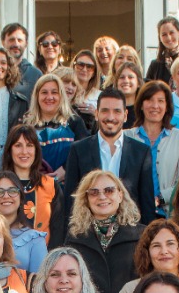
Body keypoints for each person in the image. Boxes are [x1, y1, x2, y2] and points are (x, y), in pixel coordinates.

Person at [62, 88, 157, 226]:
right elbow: (71, 200)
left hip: (128, 233)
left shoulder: (141, 152)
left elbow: (146, 204)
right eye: (105, 110)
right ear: (96, 113)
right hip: (89, 232)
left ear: (125, 116)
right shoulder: (78, 150)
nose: (111, 117)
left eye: (117, 111)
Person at [63, 169, 143, 293]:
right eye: (94, 192)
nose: (102, 196)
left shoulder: (142, 235)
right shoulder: (74, 238)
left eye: (109, 190)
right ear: (86, 199)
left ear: (120, 195)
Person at [125, 80, 179, 216]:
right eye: (149, 100)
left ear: (167, 106)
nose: (155, 106)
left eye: (161, 101)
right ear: (141, 105)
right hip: (132, 215)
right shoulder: (125, 136)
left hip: (168, 215)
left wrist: (160, 199)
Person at [1, 124, 68, 248]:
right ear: (9, 150)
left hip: (43, 261)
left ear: (36, 150)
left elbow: (58, 230)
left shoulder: (50, 185)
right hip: (6, 260)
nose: (24, 151)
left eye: (29, 145)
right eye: (18, 145)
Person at [23, 74, 88, 180]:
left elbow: (85, 152)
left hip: (67, 187)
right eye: (44, 92)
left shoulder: (74, 122)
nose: (49, 97)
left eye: (54, 92)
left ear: (61, 96)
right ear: (37, 96)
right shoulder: (26, 125)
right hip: (35, 186)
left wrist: (65, 169)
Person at [0, 169, 48, 276]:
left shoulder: (35, 239)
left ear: (21, 198)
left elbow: (39, 284)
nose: (6, 196)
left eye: (12, 191)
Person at [3, 23, 38, 103]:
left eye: (20, 40)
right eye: (11, 40)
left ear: (26, 44)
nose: (16, 44)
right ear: (3, 42)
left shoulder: (35, 75)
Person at [68, 50, 101, 129]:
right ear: (74, 66)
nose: (84, 69)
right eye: (80, 65)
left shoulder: (100, 96)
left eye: (89, 67)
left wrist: (96, 114)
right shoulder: (64, 91)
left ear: (94, 72)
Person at [112, 61, 144, 129]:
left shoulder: (144, 110)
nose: (126, 81)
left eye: (130, 77)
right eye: (122, 77)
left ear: (138, 83)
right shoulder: (110, 109)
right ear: (116, 83)